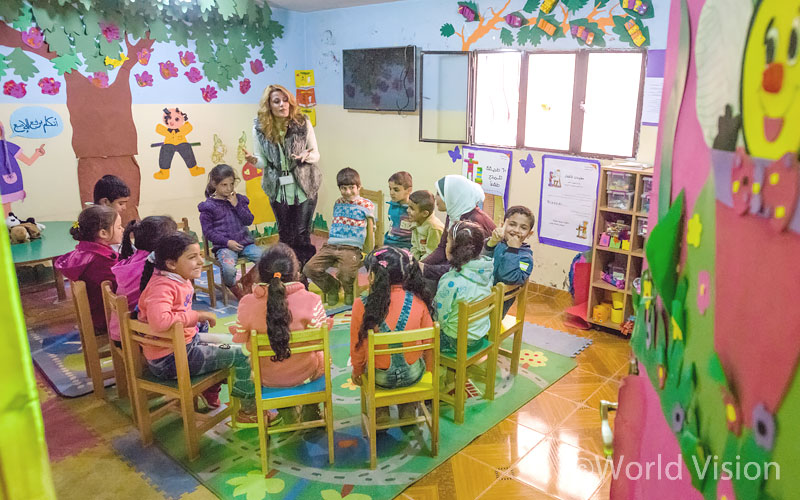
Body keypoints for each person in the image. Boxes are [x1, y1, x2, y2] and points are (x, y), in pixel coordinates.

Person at [138, 232, 269, 425]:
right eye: (192, 257)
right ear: (171, 264)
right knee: (242, 354)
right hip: (171, 359)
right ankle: (248, 411)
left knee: (233, 342)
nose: (200, 261)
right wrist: (197, 316)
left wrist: (198, 321)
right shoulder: (162, 286)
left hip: (184, 346)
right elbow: (160, 321)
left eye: (200, 255)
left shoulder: (173, 279)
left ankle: (208, 391)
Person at [231, 243, 333, 423]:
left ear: (260, 273)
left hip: (268, 376)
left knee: (251, 358)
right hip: (305, 372)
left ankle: (287, 411)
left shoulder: (247, 303)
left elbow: (240, 336)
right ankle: (312, 406)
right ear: (296, 273)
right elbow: (320, 333)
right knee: (324, 355)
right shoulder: (312, 300)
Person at [350, 246, 435, 423]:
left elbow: (356, 346)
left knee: (371, 365)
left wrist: (357, 371)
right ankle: (408, 408)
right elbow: (429, 343)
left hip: (380, 377)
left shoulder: (361, 304)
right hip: (413, 374)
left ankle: (381, 412)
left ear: (374, 276)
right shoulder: (418, 300)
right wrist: (429, 372)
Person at [245, 84, 321, 268]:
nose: (282, 105)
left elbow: (316, 154)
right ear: (269, 106)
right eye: (276, 101)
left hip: (304, 185)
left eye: (285, 100)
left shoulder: (302, 123)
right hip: (277, 187)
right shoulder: (260, 128)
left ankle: (302, 275)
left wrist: (307, 156)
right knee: (285, 234)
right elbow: (262, 160)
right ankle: (288, 272)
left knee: (302, 233)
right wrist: (254, 161)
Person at [303, 167, 375, 307]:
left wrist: (370, 251)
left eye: (351, 188)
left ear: (359, 187)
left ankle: (348, 290)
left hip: (351, 248)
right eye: (343, 188)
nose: (347, 192)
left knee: (346, 272)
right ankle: (332, 287)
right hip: (331, 246)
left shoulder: (366, 205)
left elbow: (371, 228)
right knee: (309, 268)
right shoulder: (338, 202)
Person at [107, 216, 178, 346]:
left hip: (119, 332)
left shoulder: (134, 258)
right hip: (136, 336)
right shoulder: (154, 267)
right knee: (192, 324)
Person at [55, 205, 123, 333]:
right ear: (103, 233)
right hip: (107, 319)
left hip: (94, 316)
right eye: (119, 227)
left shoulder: (83, 252)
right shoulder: (102, 261)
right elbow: (120, 288)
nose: (122, 230)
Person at [198, 164, 263, 300]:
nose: (229, 189)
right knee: (228, 269)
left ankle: (247, 280)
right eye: (224, 185)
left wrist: (237, 205)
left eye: (231, 184)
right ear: (214, 184)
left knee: (266, 259)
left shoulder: (239, 199)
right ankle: (233, 287)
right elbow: (208, 232)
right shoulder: (208, 207)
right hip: (225, 247)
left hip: (246, 244)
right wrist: (227, 242)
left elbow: (248, 220)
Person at [421, 175, 495, 285]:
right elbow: (442, 248)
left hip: (472, 276)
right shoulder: (453, 214)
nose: (435, 197)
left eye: (439, 194)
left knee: (423, 284)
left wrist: (426, 269)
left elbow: (464, 265)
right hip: (456, 267)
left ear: (453, 196)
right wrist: (420, 264)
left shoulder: (473, 222)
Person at [435, 221, 494, 354]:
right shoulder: (487, 270)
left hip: (455, 341)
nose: (445, 245)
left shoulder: (450, 281)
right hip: (479, 336)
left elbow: (440, 318)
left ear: (454, 249)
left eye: (447, 242)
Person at [484, 205, 535, 316]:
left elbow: (507, 277)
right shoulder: (498, 243)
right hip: (481, 294)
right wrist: (491, 243)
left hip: (496, 307)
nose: (516, 230)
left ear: (529, 233)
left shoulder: (525, 259)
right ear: (503, 225)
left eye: (523, 228)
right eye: (512, 224)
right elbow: (476, 260)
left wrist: (512, 250)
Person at [0, 120, 45, 217]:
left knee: (5, 208)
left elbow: (28, 161)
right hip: (5, 181)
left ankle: (7, 227)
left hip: (5, 183)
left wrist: (38, 153)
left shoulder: (8, 146)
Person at [407, 190, 444, 261]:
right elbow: (415, 248)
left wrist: (418, 266)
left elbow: (432, 254)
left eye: (412, 208)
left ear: (424, 214)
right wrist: (411, 262)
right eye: (408, 207)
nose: (407, 210)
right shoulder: (416, 222)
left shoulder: (434, 228)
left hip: (433, 262)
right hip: (422, 261)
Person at [384, 171, 413, 249]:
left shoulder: (413, 209)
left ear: (409, 190)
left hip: (406, 246)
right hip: (389, 243)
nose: (391, 193)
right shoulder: (392, 205)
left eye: (396, 190)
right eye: (390, 189)